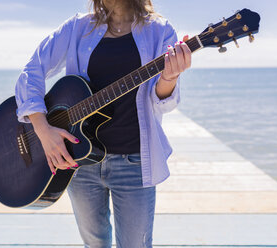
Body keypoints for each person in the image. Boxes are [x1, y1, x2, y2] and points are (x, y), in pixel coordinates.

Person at [15, 0, 191, 247]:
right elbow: (31, 71)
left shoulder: (160, 31)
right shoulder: (77, 27)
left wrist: (170, 77)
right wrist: (43, 130)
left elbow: (162, 102)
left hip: (135, 164)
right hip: (80, 162)